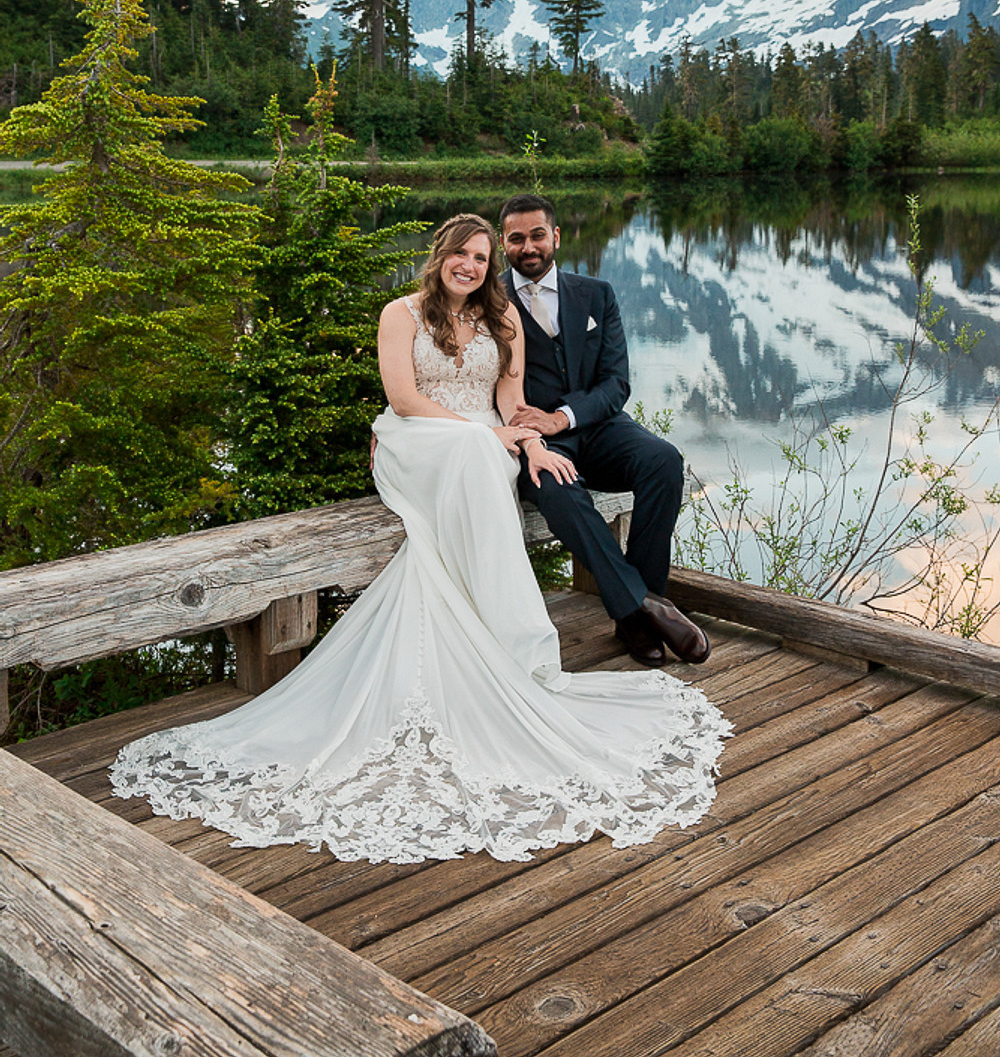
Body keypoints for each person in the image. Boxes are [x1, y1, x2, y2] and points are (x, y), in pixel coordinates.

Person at [111, 215, 729, 864]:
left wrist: (530, 443)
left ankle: (507, 638)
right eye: (461, 252)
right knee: (474, 450)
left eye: (482, 257)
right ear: (439, 255)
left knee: (495, 458)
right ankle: (522, 613)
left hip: (483, 444)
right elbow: (404, 400)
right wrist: (480, 434)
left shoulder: (503, 322)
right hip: (416, 442)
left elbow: (509, 403)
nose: (471, 264)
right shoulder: (399, 312)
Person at [499, 193, 708, 668]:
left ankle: (640, 605)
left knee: (663, 461)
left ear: (555, 236)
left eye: (536, 235)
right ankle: (645, 611)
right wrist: (540, 433)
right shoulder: (489, 301)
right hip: (537, 444)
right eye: (516, 239)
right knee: (558, 487)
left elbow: (616, 383)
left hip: (599, 426)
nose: (527, 247)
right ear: (503, 244)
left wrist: (563, 416)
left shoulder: (597, 294)